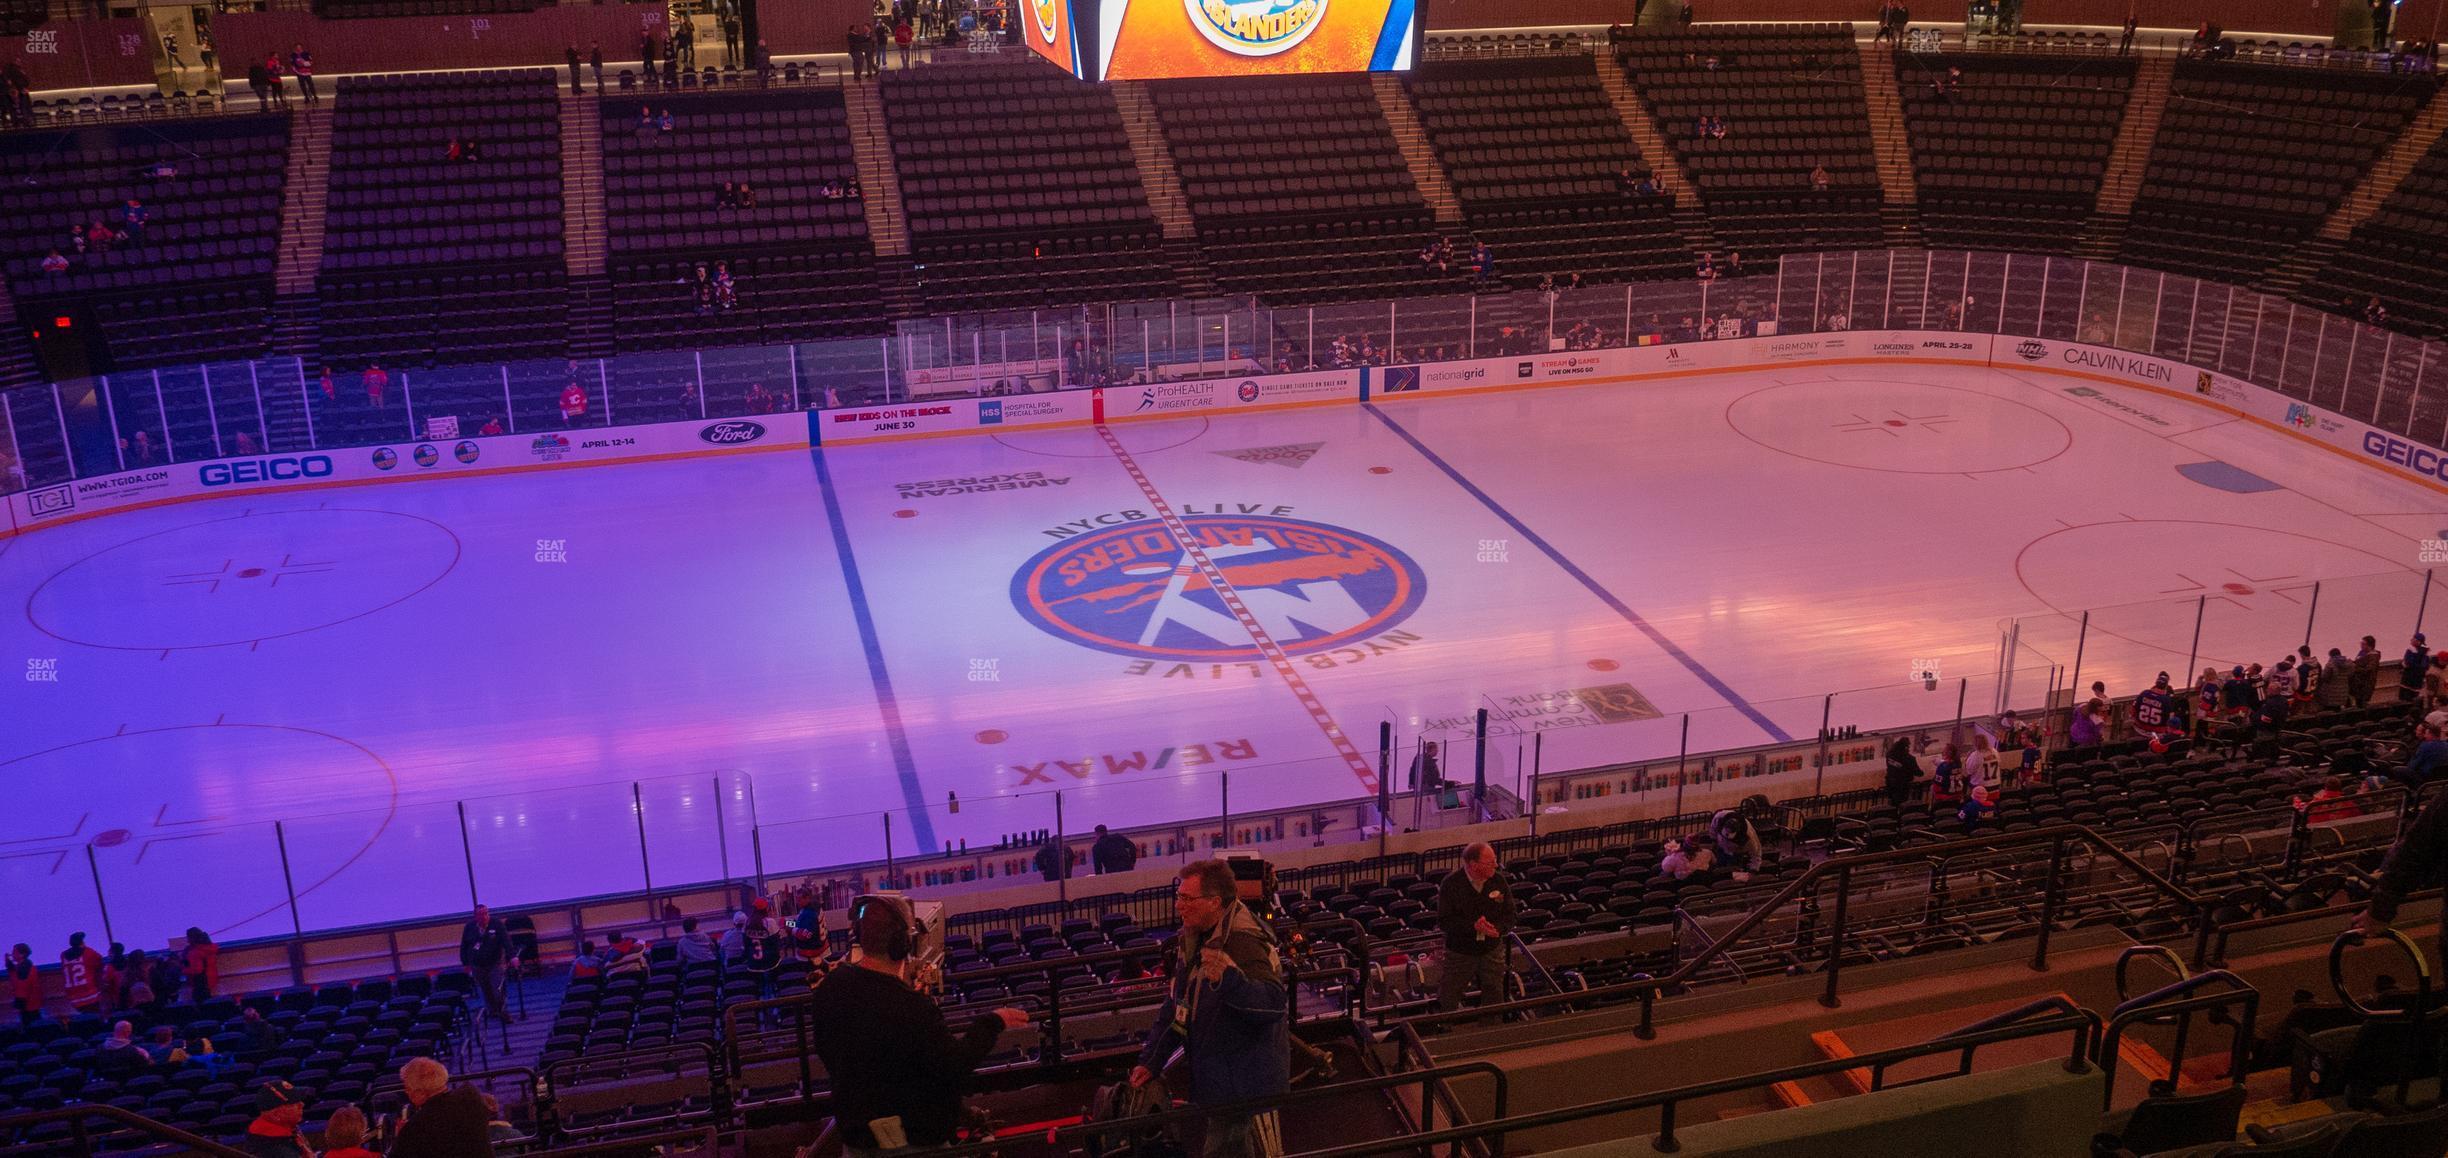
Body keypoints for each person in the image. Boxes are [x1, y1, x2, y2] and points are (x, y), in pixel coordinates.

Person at [806, 896, 1026, 1154]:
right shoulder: (912, 1007)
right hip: (914, 1142)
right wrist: (993, 1021)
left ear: (859, 936)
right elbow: (953, 1065)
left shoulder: (830, 988)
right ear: (902, 944)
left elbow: (827, 1051)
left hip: (858, 1141)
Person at [1131, 861, 1288, 1158]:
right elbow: (1178, 1005)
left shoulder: (1242, 944)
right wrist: (1152, 1060)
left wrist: (1230, 980)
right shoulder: (1196, 937)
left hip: (1240, 1080)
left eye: (1187, 898)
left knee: (1221, 1146)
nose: (1179, 906)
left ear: (1215, 902)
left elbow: (1273, 1004)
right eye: (1178, 896)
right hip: (1223, 1075)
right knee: (1234, 1146)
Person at [1435, 842, 1516, 1020]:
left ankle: (1492, 1033)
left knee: (1495, 993)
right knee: (1450, 994)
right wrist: (1473, 927)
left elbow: (1510, 914)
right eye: (1490, 862)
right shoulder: (1451, 884)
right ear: (1473, 865)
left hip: (1491, 949)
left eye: (1495, 861)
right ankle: (1443, 1032)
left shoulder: (1498, 880)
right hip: (1460, 952)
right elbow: (1445, 922)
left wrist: (1497, 929)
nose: (1496, 865)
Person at [391, 1057, 495, 1158]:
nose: (406, 1092)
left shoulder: (415, 1127)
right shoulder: (471, 1096)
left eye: (408, 1088)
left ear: (421, 1092)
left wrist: (400, 1137)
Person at [459, 904, 514, 1024]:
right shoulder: (469, 927)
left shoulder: (497, 924)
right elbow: (464, 946)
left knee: (498, 989)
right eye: (480, 914)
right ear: (475, 917)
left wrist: (513, 956)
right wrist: (465, 963)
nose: (484, 917)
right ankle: (493, 1011)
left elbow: (506, 941)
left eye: (485, 913)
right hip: (477, 965)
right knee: (486, 989)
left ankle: (504, 1013)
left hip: (495, 963)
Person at [242, 1080, 312, 1158]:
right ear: (276, 1114)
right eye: (294, 1103)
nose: (302, 1104)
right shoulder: (275, 1149)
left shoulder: (287, 1130)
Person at [1882, 735, 1920, 807]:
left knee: (1892, 802)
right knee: (1902, 803)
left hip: (1890, 782)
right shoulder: (1909, 759)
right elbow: (1918, 773)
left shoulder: (1889, 755)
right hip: (1903, 785)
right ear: (1906, 747)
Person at [6, 945, 38, 1026]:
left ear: (21, 954)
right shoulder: (24, 965)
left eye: (14, 952)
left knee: (30, 1024)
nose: (12, 954)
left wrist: (20, 1003)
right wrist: (8, 962)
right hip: (29, 1002)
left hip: (28, 1003)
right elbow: (14, 972)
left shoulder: (24, 967)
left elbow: (22, 986)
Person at [2406, 634, 2432, 703]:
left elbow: (2408, 662)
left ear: (2418, 641)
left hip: (2411, 676)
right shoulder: (2426, 651)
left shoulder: (2411, 650)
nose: (2411, 640)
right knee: (2416, 692)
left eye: (2413, 639)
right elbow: (2425, 665)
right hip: (2419, 675)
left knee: (2410, 694)